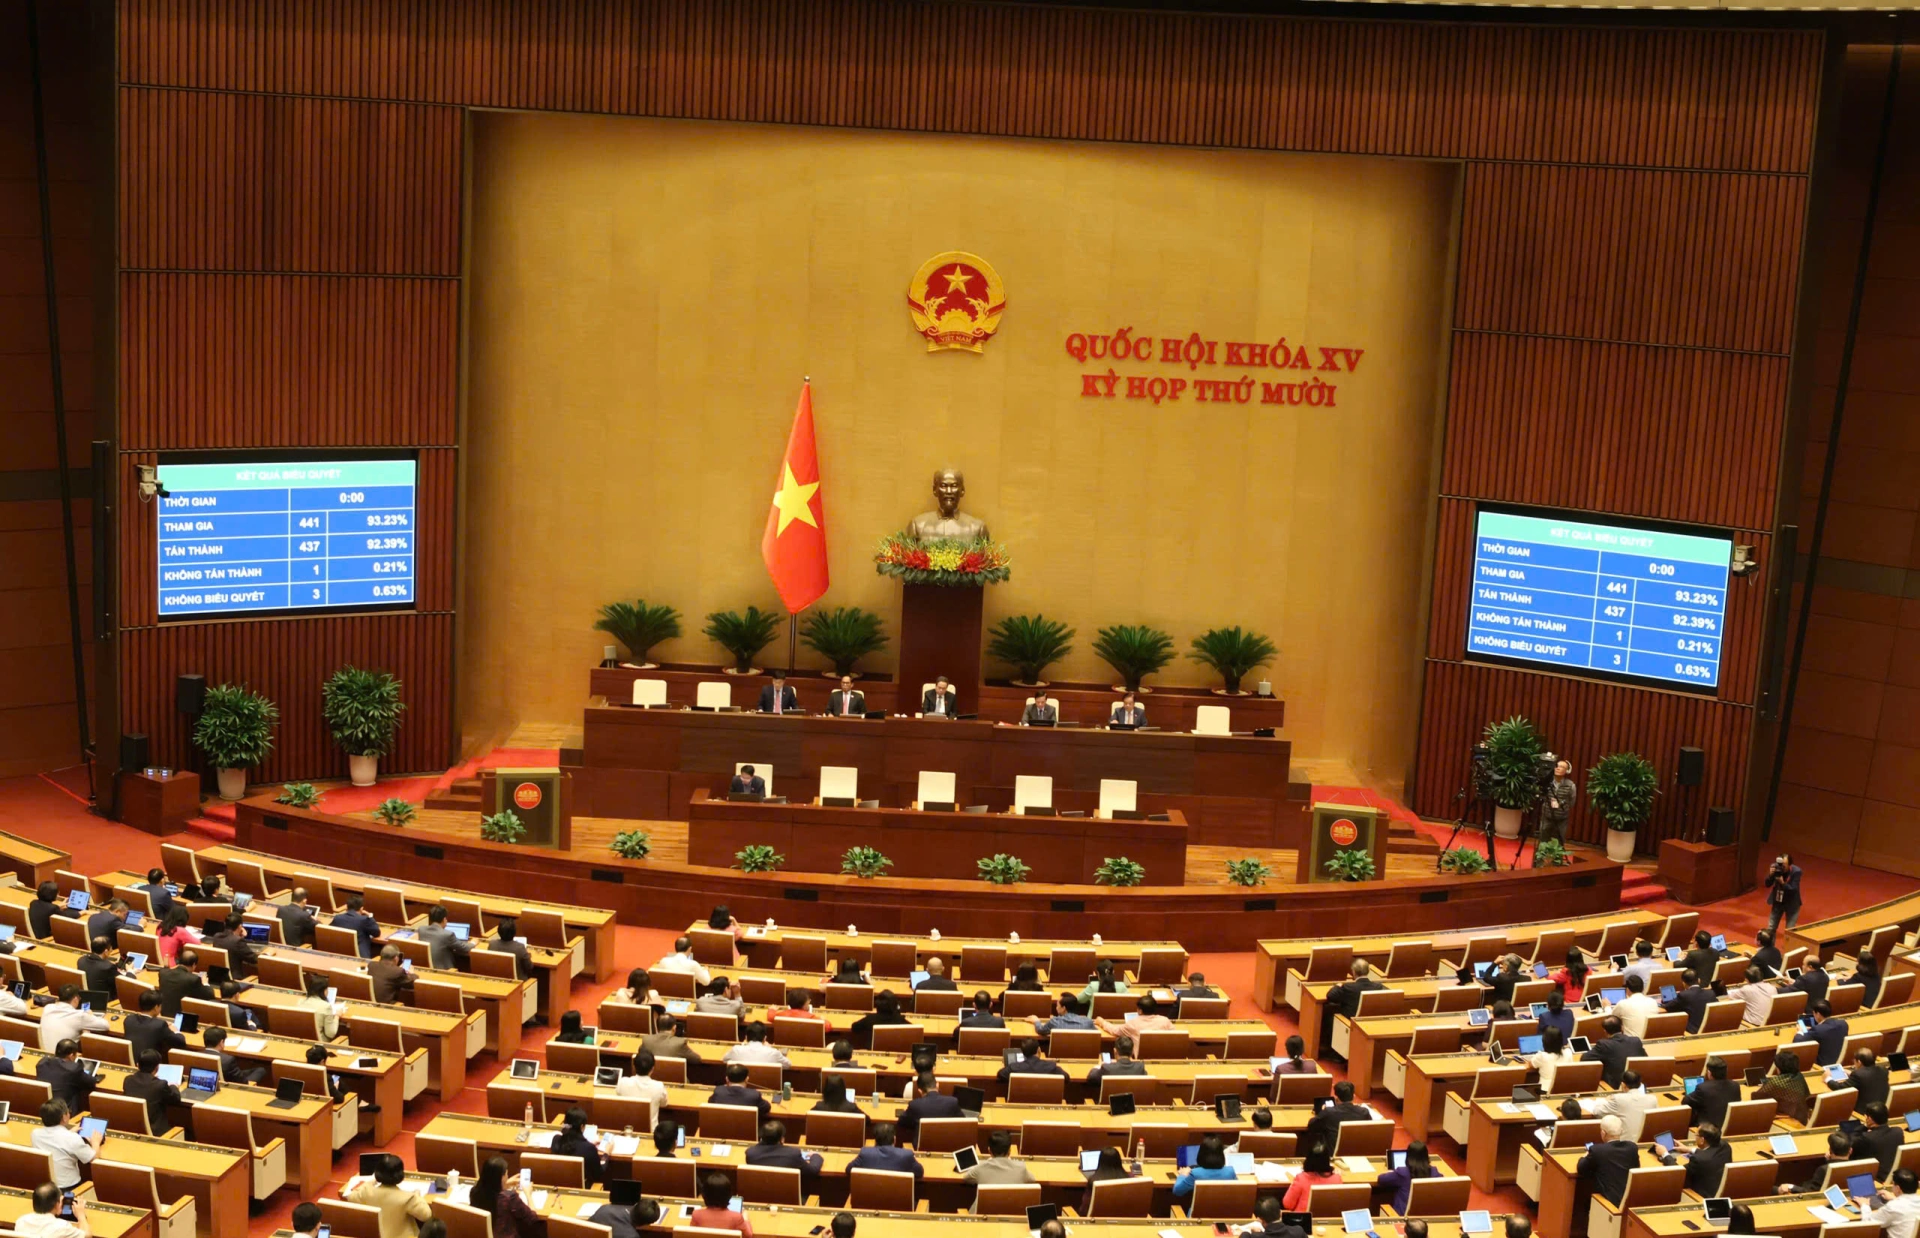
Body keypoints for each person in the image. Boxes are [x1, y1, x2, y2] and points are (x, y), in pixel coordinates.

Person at [466, 1154, 548, 1238]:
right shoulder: (509, 1198)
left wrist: (506, 1183)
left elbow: (491, 1187)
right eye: (506, 1174)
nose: (507, 1177)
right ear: (501, 1178)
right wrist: (528, 1194)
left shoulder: (475, 1192)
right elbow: (533, 1218)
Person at [32, 1101, 101, 1192]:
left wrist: (69, 1133)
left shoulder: (35, 1134)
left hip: (47, 1187)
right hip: (70, 1188)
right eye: (68, 1112)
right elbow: (94, 1159)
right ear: (64, 1118)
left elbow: (55, 1140)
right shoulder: (72, 1138)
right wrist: (96, 1142)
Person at [1577, 1115, 1639, 1206]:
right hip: (1628, 1202)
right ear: (1621, 1131)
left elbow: (1581, 1169)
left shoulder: (1597, 1150)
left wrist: (1585, 1156)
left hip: (1608, 1204)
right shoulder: (1632, 1147)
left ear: (1603, 1133)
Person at [961, 1129, 1036, 1204]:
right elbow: (1032, 1179)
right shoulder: (1020, 1167)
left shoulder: (980, 1168)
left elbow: (966, 1178)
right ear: (1009, 1151)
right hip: (1012, 1210)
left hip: (985, 1210)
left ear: (989, 1151)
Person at [1324, 959, 1386, 1044]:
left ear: (1353, 972)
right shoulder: (1378, 987)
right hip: (1369, 1023)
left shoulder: (1348, 988)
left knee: (1328, 1013)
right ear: (1368, 971)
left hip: (1350, 1024)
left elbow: (1330, 996)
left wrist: (1338, 986)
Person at [1589, 1070, 1658, 1142]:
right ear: (1640, 1084)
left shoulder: (1618, 1099)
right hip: (1646, 1143)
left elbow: (1597, 1112)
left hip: (1624, 1144)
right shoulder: (1653, 1099)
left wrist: (1605, 1100)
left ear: (1623, 1085)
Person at [124, 1049, 181, 1133]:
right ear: (157, 1067)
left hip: (133, 1127)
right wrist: (173, 1086)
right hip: (156, 1131)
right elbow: (176, 1099)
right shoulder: (160, 1085)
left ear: (137, 1065)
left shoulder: (128, 1080)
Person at [1779, 1132, 1856, 1194]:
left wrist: (1791, 1187)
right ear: (1850, 1151)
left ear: (1830, 1150)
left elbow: (1811, 1193)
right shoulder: (1856, 1167)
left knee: (1775, 1189)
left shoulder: (1823, 1170)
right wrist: (1829, 1161)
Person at [897, 1073, 963, 1144]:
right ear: (937, 1085)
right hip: (947, 1145)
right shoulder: (952, 1102)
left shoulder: (914, 1105)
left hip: (922, 1147)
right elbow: (962, 1122)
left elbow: (902, 1122)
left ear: (920, 1091)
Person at [1579, 1015, 1644, 1087]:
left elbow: (1584, 1058)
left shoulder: (1603, 1044)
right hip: (1636, 1083)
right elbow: (1644, 1059)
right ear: (1622, 1027)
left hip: (1614, 1085)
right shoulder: (1636, 1041)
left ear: (1605, 1031)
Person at [34, 1047, 97, 1121]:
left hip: (43, 1108)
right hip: (62, 1112)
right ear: (71, 1056)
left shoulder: (42, 1063)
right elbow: (91, 1082)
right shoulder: (74, 1068)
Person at [1375, 1141, 1438, 1214]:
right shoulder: (1434, 1172)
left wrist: (1393, 1173)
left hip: (1401, 1217)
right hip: (1427, 1216)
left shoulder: (1402, 1173)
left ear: (1408, 1156)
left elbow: (1381, 1179)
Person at [40, 985, 109, 1052]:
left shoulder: (47, 1008)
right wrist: (91, 1015)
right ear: (75, 999)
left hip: (45, 1053)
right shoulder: (79, 1015)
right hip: (63, 1057)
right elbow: (105, 1025)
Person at [124, 989, 186, 1062]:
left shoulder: (128, 1020)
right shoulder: (160, 1025)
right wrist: (175, 1030)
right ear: (156, 1007)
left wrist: (156, 1019)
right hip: (149, 1064)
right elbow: (180, 1042)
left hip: (130, 1062)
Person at [1753, 1047, 1812, 1123]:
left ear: (1779, 1068)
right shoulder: (1799, 1076)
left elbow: (1758, 1098)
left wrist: (1766, 1085)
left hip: (1789, 1119)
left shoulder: (1776, 1083)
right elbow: (1807, 1095)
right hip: (1802, 1116)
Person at [1281, 1140, 1340, 1212]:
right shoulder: (1337, 1179)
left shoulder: (1301, 1179)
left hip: (1303, 1218)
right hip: (1328, 1217)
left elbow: (1287, 1204)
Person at [551, 1107, 604, 1187]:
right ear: (582, 1126)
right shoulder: (589, 1149)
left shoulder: (556, 1140)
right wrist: (606, 1154)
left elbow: (574, 1145)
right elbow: (598, 1173)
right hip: (583, 1189)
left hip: (559, 1187)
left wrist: (588, 1144)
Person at [15, 1182, 90, 1238]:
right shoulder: (62, 1226)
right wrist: (81, 1216)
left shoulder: (21, 1221)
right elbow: (87, 1236)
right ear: (57, 1205)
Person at [1308, 1080, 1371, 1147]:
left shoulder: (1328, 1112)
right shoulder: (1364, 1112)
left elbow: (1311, 1125)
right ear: (1353, 1096)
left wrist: (1322, 1112)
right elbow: (1370, 1128)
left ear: (1336, 1098)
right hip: (1357, 1149)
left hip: (1333, 1151)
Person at [849, 1121, 921, 1178]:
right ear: (894, 1139)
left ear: (875, 1141)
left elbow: (849, 1169)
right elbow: (919, 1172)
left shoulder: (865, 1153)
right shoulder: (906, 1155)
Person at [1172, 1132, 1236, 1198]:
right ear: (1221, 1154)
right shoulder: (1230, 1171)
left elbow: (1177, 1191)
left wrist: (1183, 1175)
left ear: (1201, 1154)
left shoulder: (1195, 1173)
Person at [1687, 1055, 1742, 1129]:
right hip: (1729, 1128)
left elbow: (1685, 1101)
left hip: (1709, 1131)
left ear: (1709, 1073)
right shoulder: (1735, 1086)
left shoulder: (1703, 1088)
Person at [157, 949, 215, 1017]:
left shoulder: (163, 973)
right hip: (180, 1018)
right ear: (194, 964)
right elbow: (209, 995)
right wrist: (205, 983)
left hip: (162, 1015)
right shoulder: (194, 979)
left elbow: (165, 970)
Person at [1864, 1168, 1920, 1238]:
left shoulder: (1893, 1207)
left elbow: (1868, 1224)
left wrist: (1864, 1205)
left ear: (1898, 1188)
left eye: (1893, 1184)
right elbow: (1907, 1208)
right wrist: (1894, 1199)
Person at [1853, 1101, 1903, 1176]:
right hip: (1894, 1173)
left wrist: (1865, 1125)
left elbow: (1851, 1141)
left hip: (1876, 1176)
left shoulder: (1867, 1137)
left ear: (1869, 1118)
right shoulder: (1898, 1132)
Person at [420, 905, 473, 971]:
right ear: (444, 919)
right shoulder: (448, 935)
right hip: (444, 971)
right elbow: (465, 948)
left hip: (425, 969)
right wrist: (473, 943)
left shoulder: (421, 930)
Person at [1797, 999, 1849, 1066]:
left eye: (1814, 1013)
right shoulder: (1843, 1024)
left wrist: (1800, 1031)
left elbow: (1798, 1040)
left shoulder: (1817, 1030)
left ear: (1818, 1014)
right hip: (1840, 1062)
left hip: (1823, 1065)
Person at [996, 1037, 1066, 1087]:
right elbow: (1066, 1077)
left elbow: (1000, 1074)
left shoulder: (1014, 1068)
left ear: (1022, 1053)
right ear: (1039, 1050)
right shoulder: (1051, 1066)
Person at [1524, 1026, 1575, 1092]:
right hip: (1563, 1089)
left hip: (1544, 1090)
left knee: (1523, 1091)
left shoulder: (1542, 1056)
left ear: (1545, 1041)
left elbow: (1530, 1065)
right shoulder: (1568, 1052)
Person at [1097, 994, 1174, 1039]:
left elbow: (1115, 1030)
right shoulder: (1165, 1021)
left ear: (1140, 1010)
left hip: (1141, 1060)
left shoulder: (1132, 1024)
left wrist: (1102, 1022)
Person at [1661, 969, 1713, 1033]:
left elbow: (1668, 1007)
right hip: (1709, 1030)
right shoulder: (1711, 993)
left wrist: (1662, 1003)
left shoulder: (1684, 995)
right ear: (1699, 980)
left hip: (1691, 1032)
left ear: (1684, 983)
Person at [1610, 975, 1660, 1040]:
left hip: (1631, 1043)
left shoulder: (1623, 1004)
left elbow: (1611, 1019)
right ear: (1643, 989)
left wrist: (1607, 1007)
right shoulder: (1653, 1002)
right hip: (1649, 1041)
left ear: (1627, 989)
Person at [330, 894, 379, 959]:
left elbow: (329, 931)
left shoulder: (337, 918)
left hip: (340, 956)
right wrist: (370, 916)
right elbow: (376, 933)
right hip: (361, 958)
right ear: (361, 909)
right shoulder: (364, 920)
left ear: (346, 907)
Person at [1539, 758, 1575, 845]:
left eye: (1562, 767)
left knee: (1560, 840)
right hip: (1546, 815)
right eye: (1557, 766)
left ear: (1567, 771)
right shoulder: (1547, 783)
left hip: (1562, 817)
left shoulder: (1571, 785)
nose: (1558, 768)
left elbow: (1572, 801)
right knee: (1543, 838)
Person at [1765, 853, 1803, 934]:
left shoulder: (1796, 872)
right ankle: (1770, 942)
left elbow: (1793, 889)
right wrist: (1770, 875)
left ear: (1790, 865)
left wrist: (1782, 883)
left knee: (1789, 931)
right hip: (1778, 902)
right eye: (1781, 864)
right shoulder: (1776, 868)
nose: (1782, 866)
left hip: (1791, 903)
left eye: (1785, 864)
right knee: (1771, 928)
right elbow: (1767, 884)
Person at [725, 1022, 790, 1067]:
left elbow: (725, 1060)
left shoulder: (736, 1049)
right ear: (765, 1039)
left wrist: (742, 1045)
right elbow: (788, 1065)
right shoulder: (773, 1052)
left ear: (746, 1038)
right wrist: (771, 1048)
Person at [298, 972, 339, 1040]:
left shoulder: (300, 1002)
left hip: (303, 1040)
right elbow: (331, 1033)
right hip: (320, 1043)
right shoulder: (326, 1006)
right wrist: (337, 1016)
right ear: (324, 991)